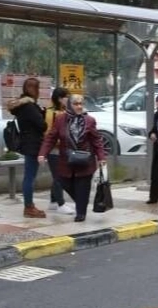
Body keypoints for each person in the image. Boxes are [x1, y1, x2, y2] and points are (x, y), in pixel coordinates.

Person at [38, 94, 106, 222]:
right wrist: (43, 153)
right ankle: (81, 202)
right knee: (63, 181)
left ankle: (81, 213)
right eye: (76, 104)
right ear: (69, 105)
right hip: (66, 160)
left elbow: (96, 140)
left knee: (83, 187)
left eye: (81, 104)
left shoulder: (89, 120)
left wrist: (101, 157)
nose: (79, 106)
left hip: (85, 160)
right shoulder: (60, 119)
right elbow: (51, 138)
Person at [8, 77, 47, 218]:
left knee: (28, 175)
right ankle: (29, 207)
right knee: (29, 176)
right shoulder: (29, 107)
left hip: (27, 142)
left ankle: (29, 206)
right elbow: (42, 125)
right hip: (33, 144)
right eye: (38, 88)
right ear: (34, 89)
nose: (39, 91)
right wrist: (42, 113)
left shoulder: (21, 106)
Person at [43, 87, 75, 215]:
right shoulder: (52, 113)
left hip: (63, 149)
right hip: (55, 150)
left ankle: (53, 201)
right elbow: (49, 133)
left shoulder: (64, 111)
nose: (68, 99)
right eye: (66, 97)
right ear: (59, 98)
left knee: (58, 176)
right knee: (59, 177)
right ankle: (61, 203)